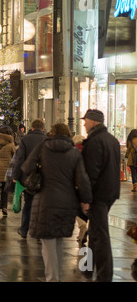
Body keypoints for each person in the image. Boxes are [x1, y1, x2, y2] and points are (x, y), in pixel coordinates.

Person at [21, 123, 92, 282]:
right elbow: (82, 179)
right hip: (67, 202)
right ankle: (56, 275)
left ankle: (52, 278)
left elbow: (26, 168)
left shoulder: (42, 147)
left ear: (52, 132)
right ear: (68, 134)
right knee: (59, 239)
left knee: (47, 241)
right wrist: (86, 200)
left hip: (45, 200)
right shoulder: (74, 152)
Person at [81, 109, 120, 282]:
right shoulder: (111, 140)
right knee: (95, 231)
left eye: (86, 121)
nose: (84, 124)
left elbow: (91, 173)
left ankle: (105, 275)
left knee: (100, 235)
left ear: (94, 122)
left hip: (98, 195)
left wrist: (86, 199)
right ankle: (87, 268)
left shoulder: (94, 142)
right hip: (110, 192)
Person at [13, 119, 46, 238]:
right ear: (43, 128)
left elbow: (19, 159)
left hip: (28, 177)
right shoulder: (46, 140)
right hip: (43, 177)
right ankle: (38, 229)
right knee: (41, 205)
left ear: (32, 128)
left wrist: (16, 176)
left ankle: (24, 229)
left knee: (28, 203)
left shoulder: (26, 139)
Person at [73, 134, 88, 245]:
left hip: (77, 183)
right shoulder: (89, 150)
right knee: (86, 205)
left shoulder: (73, 151)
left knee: (77, 207)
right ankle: (84, 230)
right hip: (88, 183)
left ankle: (82, 226)